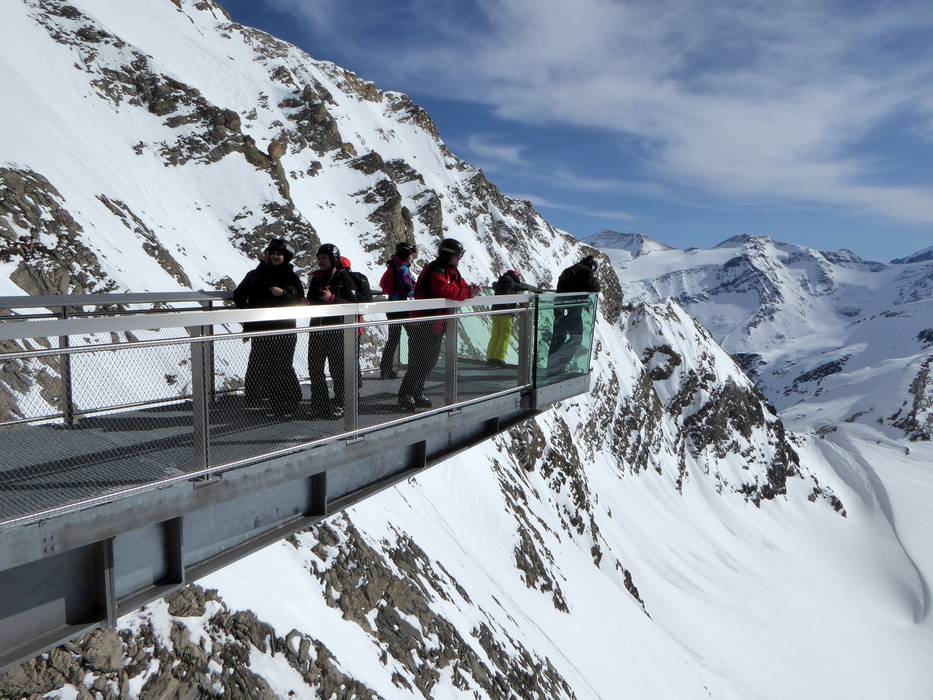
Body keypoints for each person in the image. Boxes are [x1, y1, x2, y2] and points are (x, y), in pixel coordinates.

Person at [398, 238, 480, 412]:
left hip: (436, 323)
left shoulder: (452, 272)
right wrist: (468, 293)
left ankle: (417, 392)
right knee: (419, 361)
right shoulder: (435, 270)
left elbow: (460, 287)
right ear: (448, 255)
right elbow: (444, 290)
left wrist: (469, 290)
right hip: (423, 322)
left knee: (429, 361)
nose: (459, 260)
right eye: (457, 256)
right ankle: (406, 394)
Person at [233, 238, 304, 416]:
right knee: (271, 367)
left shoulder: (289, 276)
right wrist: (250, 313)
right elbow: (239, 294)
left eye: (279, 254)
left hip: (284, 328)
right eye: (273, 253)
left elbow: (299, 299)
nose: (275, 257)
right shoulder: (257, 274)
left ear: (285, 257)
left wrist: (283, 294)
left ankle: (292, 400)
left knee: (283, 365)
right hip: (263, 328)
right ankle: (278, 405)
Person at [307, 243, 357, 419]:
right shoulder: (317, 277)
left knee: (338, 369)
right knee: (315, 369)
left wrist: (332, 298)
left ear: (333, 259)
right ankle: (319, 405)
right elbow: (311, 298)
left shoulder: (344, 277)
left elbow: (354, 304)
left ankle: (341, 403)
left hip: (337, 330)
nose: (321, 261)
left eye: (324, 258)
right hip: (317, 329)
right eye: (319, 258)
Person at [547, 255, 600, 374]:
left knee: (558, 338)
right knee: (577, 338)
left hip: (560, 308)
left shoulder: (569, 270)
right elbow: (595, 287)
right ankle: (560, 366)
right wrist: (593, 278)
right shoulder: (586, 272)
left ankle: (550, 368)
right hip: (573, 310)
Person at [485, 269, 541, 368]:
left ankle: (490, 358)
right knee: (504, 335)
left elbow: (494, 285)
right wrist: (538, 290)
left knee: (495, 335)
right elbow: (525, 286)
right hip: (506, 312)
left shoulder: (499, 283)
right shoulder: (512, 283)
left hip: (495, 312)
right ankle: (498, 358)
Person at [378, 241, 416, 379]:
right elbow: (407, 289)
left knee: (393, 338)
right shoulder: (403, 269)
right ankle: (414, 368)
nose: (412, 259)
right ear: (407, 256)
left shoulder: (393, 266)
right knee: (414, 336)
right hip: (402, 307)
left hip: (392, 306)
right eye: (411, 256)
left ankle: (386, 370)